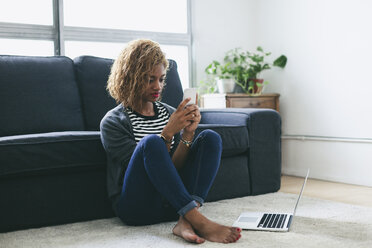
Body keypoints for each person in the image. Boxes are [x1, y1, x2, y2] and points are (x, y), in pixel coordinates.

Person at [100, 39, 242, 244]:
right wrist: (166, 134)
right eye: (150, 79)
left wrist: (187, 135)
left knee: (210, 138)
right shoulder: (113, 123)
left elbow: (172, 170)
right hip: (137, 208)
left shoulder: (169, 113)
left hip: (172, 205)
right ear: (130, 78)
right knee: (151, 143)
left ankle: (186, 219)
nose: (158, 86)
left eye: (161, 79)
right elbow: (146, 172)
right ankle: (198, 220)